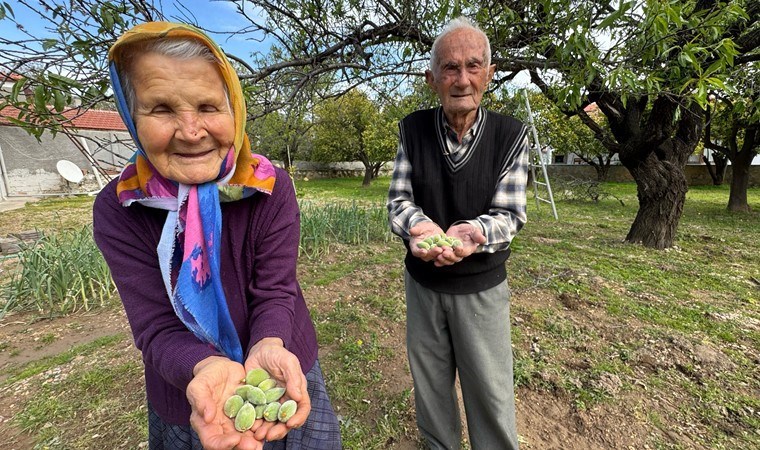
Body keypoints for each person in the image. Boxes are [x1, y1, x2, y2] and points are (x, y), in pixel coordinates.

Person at [93, 22, 342, 450]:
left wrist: (267, 344)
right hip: (193, 394)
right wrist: (204, 367)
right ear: (132, 119)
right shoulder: (121, 207)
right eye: (162, 109)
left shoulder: (268, 187)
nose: (191, 130)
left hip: (283, 369)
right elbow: (154, 327)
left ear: (235, 110)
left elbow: (275, 291)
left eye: (208, 107)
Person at [387, 16, 528, 450]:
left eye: (472, 66)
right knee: (430, 387)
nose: (461, 79)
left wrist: (473, 233)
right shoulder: (412, 129)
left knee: (489, 391)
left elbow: (510, 213)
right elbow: (398, 200)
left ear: (489, 73)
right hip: (423, 285)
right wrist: (420, 227)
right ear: (432, 79)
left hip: (481, 289)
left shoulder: (510, 135)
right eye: (449, 68)